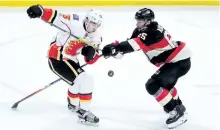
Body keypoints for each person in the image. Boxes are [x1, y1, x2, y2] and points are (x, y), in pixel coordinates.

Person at [101, 8, 191, 129]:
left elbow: (133, 45)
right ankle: (178, 106)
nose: (137, 23)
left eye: (140, 20)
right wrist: (114, 50)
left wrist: (116, 48)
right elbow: (129, 46)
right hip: (177, 61)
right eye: (137, 19)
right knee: (164, 85)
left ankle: (176, 111)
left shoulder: (153, 32)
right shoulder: (141, 30)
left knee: (152, 85)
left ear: (148, 21)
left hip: (179, 62)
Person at [26, 4, 103, 125]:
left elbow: (90, 60)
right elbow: (55, 16)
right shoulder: (74, 21)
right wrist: (40, 10)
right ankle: (84, 113)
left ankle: (72, 104)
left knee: (81, 80)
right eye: (92, 23)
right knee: (85, 79)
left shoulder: (96, 36)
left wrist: (91, 53)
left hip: (72, 59)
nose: (93, 27)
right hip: (57, 58)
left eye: (96, 25)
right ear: (86, 20)